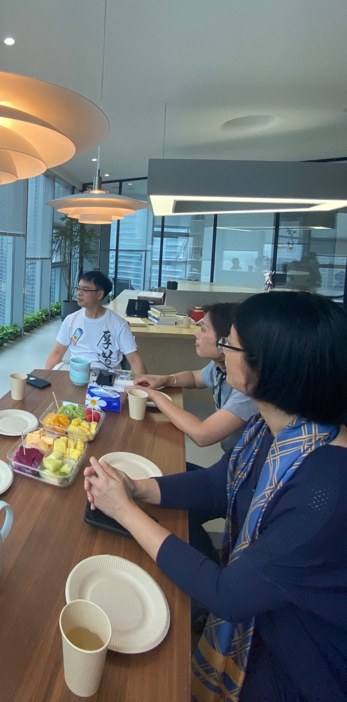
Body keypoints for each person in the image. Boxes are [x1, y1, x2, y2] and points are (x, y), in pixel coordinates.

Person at [84, 291, 347, 701]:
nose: (221, 350)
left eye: (230, 344)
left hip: (297, 664)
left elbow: (228, 595)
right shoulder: (273, 428)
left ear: (271, 365)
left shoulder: (325, 492)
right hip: (263, 623)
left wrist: (127, 512)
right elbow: (215, 484)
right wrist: (136, 489)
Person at [133, 303, 257, 452]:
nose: (196, 334)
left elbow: (202, 434)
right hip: (232, 458)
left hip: (244, 464)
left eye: (203, 329)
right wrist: (165, 380)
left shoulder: (247, 388)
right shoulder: (220, 366)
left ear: (226, 341)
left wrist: (155, 396)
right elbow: (195, 377)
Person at [45, 271, 147, 374]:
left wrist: (141, 383)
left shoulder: (119, 324)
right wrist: (44, 377)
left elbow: (134, 360)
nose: (79, 293)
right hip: (77, 374)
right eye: (78, 288)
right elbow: (57, 352)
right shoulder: (71, 320)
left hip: (107, 377)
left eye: (85, 289)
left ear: (99, 294)